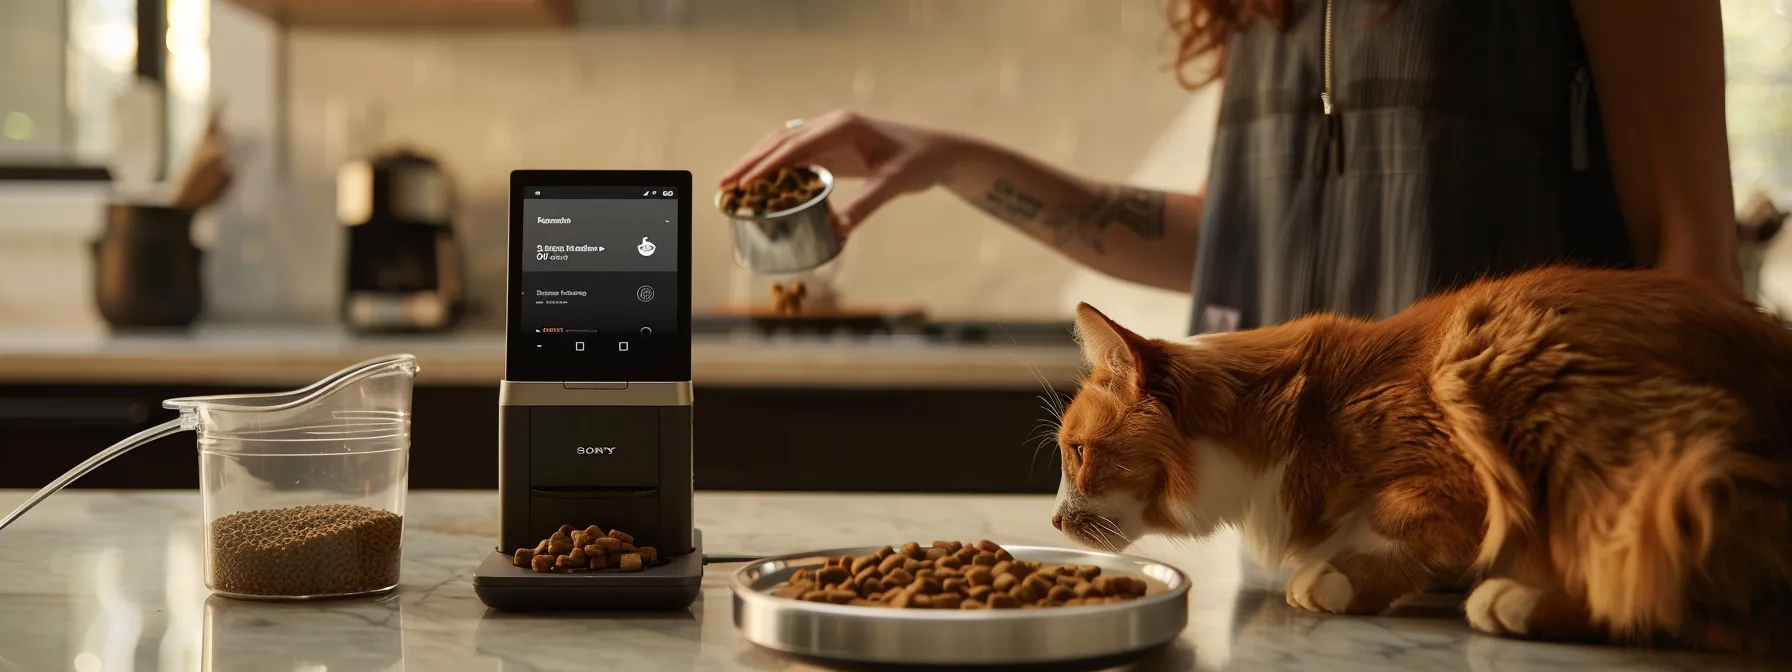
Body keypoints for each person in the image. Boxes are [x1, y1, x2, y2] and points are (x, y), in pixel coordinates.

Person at [719, 0, 1743, 335]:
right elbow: (1238, 239)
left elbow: (1694, 261)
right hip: (1307, 547)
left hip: (1526, 545)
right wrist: (952, 161)